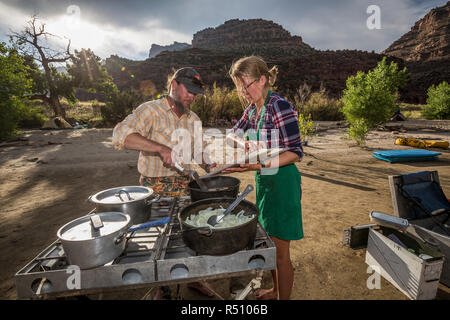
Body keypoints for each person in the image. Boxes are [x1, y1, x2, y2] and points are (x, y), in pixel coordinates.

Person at [112, 67, 215, 299]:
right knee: (160, 240)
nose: (192, 97)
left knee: (190, 235)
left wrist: (210, 165)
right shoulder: (150, 111)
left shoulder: (193, 119)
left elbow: (200, 151)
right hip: (155, 188)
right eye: (190, 91)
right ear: (174, 85)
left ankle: (196, 278)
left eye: (196, 93)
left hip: (186, 186)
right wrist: (160, 148)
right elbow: (120, 135)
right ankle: (162, 287)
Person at [224, 56, 303, 300]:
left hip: (283, 183)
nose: (243, 92)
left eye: (246, 85)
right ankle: (275, 290)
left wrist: (257, 163)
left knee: (281, 254)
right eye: (239, 86)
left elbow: (295, 152)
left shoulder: (278, 105)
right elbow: (232, 134)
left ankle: (283, 297)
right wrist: (244, 142)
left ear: (263, 79)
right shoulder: (253, 109)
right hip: (265, 182)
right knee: (269, 247)